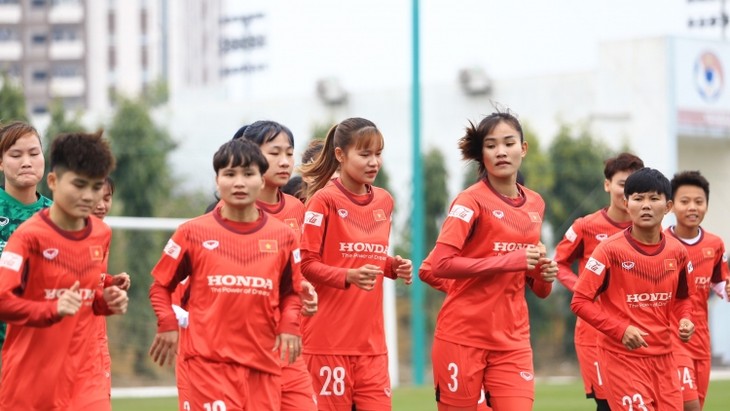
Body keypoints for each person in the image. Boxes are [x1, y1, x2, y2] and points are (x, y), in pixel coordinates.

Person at [148, 138, 310, 410]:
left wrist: (289, 325)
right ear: (217, 180)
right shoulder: (192, 233)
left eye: (248, 174)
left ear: (261, 181)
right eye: (230, 174)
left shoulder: (283, 237)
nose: (239, 182)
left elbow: (291, 293)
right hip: (210, 368)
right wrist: (167, 322)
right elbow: (160, 286)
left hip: (264, 367)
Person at [428, 111, 557, 411]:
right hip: (462, 337)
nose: (501, 151)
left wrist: (542, 274)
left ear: (522, 149)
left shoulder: (536, 204)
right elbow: (439, 265)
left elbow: (539, 290)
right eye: (491, 145)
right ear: (481, 154)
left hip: (513, 341)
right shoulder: (468, 201)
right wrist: (509, 260)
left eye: (509, 143)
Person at [0, 131, 128, 410]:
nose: (89, 197)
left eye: (97, 188)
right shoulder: (28, 235)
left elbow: (84, 293)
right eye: (79, 185)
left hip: (82, 371)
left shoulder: (100, 234)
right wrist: (51, 309)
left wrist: (105, 300)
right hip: (27, 370)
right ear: (55, 182)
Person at [299, 117, 413, 410]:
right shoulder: (323, 201)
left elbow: (365, 256)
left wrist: (392, 267)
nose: (374, 162)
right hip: (328, 344)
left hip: (372, 347)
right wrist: (348, 275)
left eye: (378, 154)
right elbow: (307, 264)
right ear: (340, 155)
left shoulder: (385, 202)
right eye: (365, 154)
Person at [571, 167, 695, 411]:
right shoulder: (608, 250)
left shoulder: (678, 252)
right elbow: (579, 301)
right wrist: (620, 330)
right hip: (622, 360)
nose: (646, 205)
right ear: (627, 204)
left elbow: (683, 298)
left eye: (654, 198)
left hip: (665, 360)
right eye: (638, 199)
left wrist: (686, 320)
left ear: (668, 206)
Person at [238, 120, 319, 411]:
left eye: (289, 153)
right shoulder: (233, 211)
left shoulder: (297, 208)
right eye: (275, 153)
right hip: (246, 348)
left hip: (288, 344)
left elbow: (292, 270)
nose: (285, 162)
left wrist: (302, 288)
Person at [554, 152, 644, 411]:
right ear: (607, 185)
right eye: (622, 184)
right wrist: (583, 289)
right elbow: (559, 263)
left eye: (635, 185)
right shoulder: (586, 226)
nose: (628, 192)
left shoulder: (650, 231)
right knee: (607, 404)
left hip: (637, 331)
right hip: (595, 332)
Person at [667, 171, 729, 411]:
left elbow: (720, 284)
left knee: (696, 406)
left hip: (702, 341)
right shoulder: (662, 243)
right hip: (673, 338)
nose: (692, 207)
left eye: (699, 201)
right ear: (671, 206)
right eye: (685, 201)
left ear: (706, 205)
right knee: (689, 406)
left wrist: (726, 289)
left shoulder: (715, 244)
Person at [0, 121, 53, 353]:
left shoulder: (60, 217)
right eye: (15, 155)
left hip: (45, 347)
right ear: (1, 162)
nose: (26, 162)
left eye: (34, 153)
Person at [91, 177, 131, 407]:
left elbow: (94, 278)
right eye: (96, 198)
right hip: (67, 338)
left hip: (97, 337)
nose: (101, 205)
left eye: (107, 198)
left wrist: (110, 282)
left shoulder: (104, 232)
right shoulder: (57, 233)